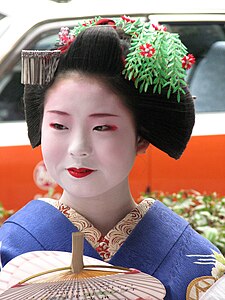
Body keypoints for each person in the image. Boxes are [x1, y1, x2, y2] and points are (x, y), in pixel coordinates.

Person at [0, 16, 219, 299]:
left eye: (102, 127)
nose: (78, 147)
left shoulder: (197, 263)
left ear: (141, 137)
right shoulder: (11, 252)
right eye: (59, 125)